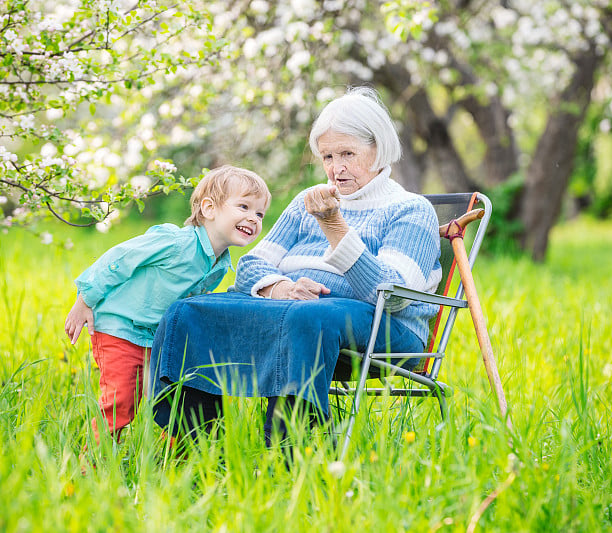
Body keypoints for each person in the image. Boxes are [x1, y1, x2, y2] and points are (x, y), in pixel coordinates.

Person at [148, 87, 442, 446]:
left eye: (347, 153)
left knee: (309, 317)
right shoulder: (309, 201)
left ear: (378, 149)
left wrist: (335, 227)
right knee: (190, 311)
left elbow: (390, 295)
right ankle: (198, 446)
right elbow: (253, 263)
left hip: (386, 327)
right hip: (294, 311)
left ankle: (287, 451)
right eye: (328, 157)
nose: (337, 169)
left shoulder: (411, 210)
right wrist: (279, 288)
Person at [64, 165, 271, 444]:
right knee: (121, 399)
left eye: (259, 213)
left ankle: (168, 460)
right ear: (209, 208)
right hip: (121, 328)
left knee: (172, 398)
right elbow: (121, 258)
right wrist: (85, 299)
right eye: (244, 206)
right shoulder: (176, 242)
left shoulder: (220, 265)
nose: (253, 218)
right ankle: (94, 461)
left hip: (159, 338)